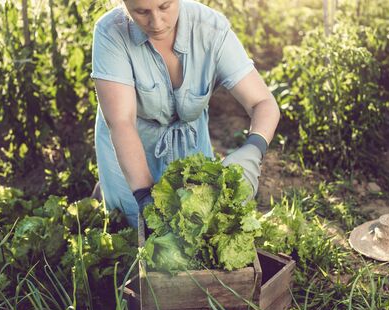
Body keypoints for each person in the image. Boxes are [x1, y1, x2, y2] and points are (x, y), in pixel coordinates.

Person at [91, 0, 280, 227]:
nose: (157, 22)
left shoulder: (210, 29)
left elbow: (263, 102)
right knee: (132, 227)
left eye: (164, 6)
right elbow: (122, 122)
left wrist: (253, 149)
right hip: (131, 145)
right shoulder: (111, 32)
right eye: (141, 12)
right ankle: (106, 190)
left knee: (198, 224)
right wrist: (143, 195)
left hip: (189, 145)